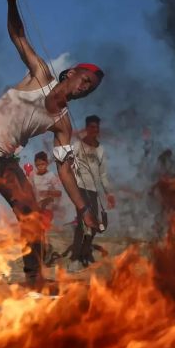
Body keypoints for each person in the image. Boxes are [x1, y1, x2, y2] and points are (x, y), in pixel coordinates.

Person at [0, 0, 104, 289]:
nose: (85, 87)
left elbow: (64, 170)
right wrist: (11, 3)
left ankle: (34, 281)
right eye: (85, 79)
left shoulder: (63, 123)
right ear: (72, 72)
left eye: (91, 87)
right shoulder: (41, 75)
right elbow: (17, 35)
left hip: (7, 162)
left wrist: (83, 208)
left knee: (32, 217)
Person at [69, 115, 115, 270]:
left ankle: (84, 252)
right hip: (80, 190)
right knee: (83, 224)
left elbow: (103, 174)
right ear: (87, 128)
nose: (94, 130)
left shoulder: (101, 150)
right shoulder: (77, 145)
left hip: (93, 192)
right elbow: (67, 165)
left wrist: (109, 193)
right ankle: (74, 260)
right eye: (92, 127)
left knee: (95, 225)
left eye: (97, 128)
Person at [29, 151, 63, 229]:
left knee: (43, 227)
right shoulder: (32, 174)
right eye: (38, 165)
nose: (40, 166)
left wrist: (48, 193)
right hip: (35, 206)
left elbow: (59, 193)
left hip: (47, 207)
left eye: (42, 164)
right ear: (35, 164)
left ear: (47, 163)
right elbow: (28, 188)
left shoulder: (51, 176)